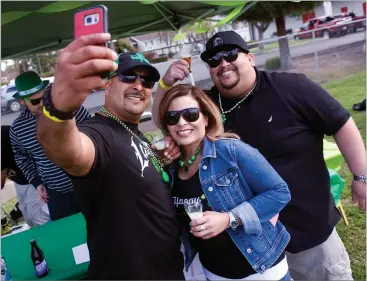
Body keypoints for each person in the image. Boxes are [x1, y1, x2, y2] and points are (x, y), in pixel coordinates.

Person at [153, 30, 366, 280]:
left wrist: (361, 176)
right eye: (214, 60)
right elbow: (165, 117)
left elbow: (341, 124)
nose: (223, 64)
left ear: (251, 58)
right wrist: (165, 84)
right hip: (252, 243)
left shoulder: (292, 87)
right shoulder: (207, 107)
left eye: (230, 54)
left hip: (308, 232)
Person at [36, 33, 184, 279]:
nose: (139, 85)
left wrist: (160, 160)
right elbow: (66, 149)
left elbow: (129, 173)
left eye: (147, 81)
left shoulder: (132, 131)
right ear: (107, 83)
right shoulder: (99, 133)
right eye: (128, 77)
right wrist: (58, 108)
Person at [158, 84, 292, 280]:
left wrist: (228, 219)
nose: (181, 122)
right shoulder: (170, 167)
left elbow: (280, 193)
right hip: (214, 272)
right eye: (172, 117)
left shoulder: (230, 151)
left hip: (261, 269)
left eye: (191, 114)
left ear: (205, 117)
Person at [10, 71, 91, 221]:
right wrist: (36, 182)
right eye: (35, 101)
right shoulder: (18, 128)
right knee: (68, 236)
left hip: (91, 183)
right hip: (58, 194)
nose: (41, 104)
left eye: (43, 97)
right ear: (22, 101)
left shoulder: (71, 108)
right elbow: (22, 158)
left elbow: (93, 131)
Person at [2, 125, 50, 227]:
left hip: (33, 177)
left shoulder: (2, 137)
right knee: (28, 218)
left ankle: (53, 239)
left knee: (38, 217)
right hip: (19, 180)